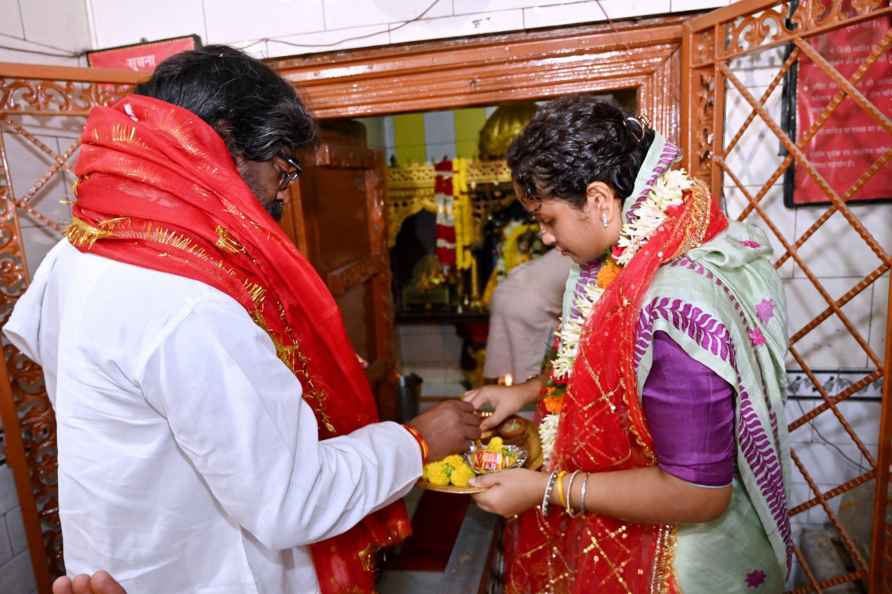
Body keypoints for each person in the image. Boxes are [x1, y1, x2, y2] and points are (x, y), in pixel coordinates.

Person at [3, 46, 481, 594]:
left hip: (124, 559)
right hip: (210, 572)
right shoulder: (188, 301)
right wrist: (417, 440)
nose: (282, 194)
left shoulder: (80, 251)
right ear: (221, 143)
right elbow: (290, 501)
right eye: (283, 169)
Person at [464, 97, 792, 593]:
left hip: (682, 565)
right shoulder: (638, 256)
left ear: (598, 200)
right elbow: (623, 374)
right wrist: (529, 392)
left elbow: (698, 492)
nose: (545, 237)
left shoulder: (673, 302)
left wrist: (544, 491)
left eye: (548, 218)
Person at [482, 248, 572, 383]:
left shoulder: (563, 248)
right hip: (529, 304)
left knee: (499, 362)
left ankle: (491, 398)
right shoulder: (585, 253)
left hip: (503, 294)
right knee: (529, 371)